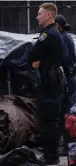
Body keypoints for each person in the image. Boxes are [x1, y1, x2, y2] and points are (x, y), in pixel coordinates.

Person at [28, 3, 66, 165]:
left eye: (39, 13)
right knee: (50, 119)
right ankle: (51, 155)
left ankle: (51, 157)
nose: (37, 17)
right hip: (53, 79)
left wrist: (35, 62)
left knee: (47, 120)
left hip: (49, 81)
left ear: (49, 15)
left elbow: (33, 54)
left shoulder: (48, 34)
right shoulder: (54, 33)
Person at [55, 14, 76, 156]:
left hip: (66, 80)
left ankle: (65, 147)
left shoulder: (62, 38)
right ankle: (67, 146)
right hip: (70, 79)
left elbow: (65, 58)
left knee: (65, 113)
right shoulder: (68, 36)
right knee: (68, 113)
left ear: (57, 25)